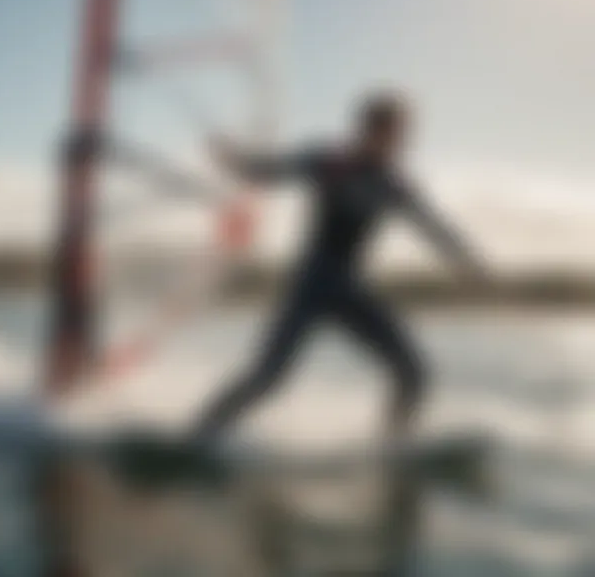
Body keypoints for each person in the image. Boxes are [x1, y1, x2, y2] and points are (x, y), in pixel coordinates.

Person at [193, 89, 490, 444]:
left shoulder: (393, 184)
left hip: (349, 290)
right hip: (310, 287)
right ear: (372, 129)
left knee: (413, 372)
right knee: (268, 377)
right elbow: (268, 171)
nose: (402, 142)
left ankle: (392, 444)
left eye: (403, 135)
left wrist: (467, 264)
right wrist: (233, 160)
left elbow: (433, 226)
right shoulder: (328, 163)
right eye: (397, 133)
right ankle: (198, 436)